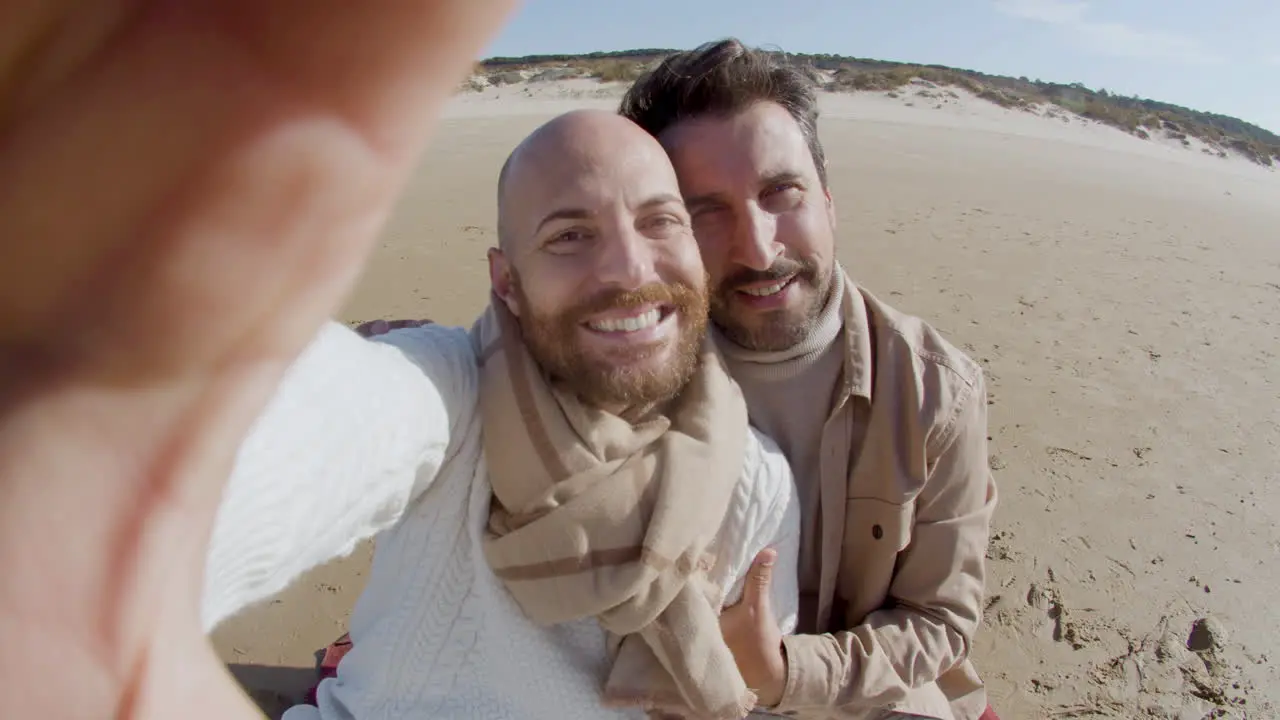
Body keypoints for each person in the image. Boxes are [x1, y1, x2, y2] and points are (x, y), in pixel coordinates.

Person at [611, 40, 1000, 720]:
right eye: (707, 213)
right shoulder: (621, 370)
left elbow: (937, 620)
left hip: (859, 689)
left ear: (826, 198)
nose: (759, 248)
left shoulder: (937, 393)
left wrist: (786, 672)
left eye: (780, 193)